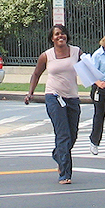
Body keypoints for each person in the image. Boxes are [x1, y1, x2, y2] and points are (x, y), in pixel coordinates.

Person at [25, 24, 82, 184]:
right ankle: (65, 173)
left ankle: (58, 154)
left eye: (62, 34)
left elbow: (88, 68)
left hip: (72, 97)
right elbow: (36, 74)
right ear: (52, 38)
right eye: (57, 34)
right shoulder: (46, 56)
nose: (60, 36)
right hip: (54, 97)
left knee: (73, 134)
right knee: (63, 134)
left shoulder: (77, 52)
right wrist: (30, 93)